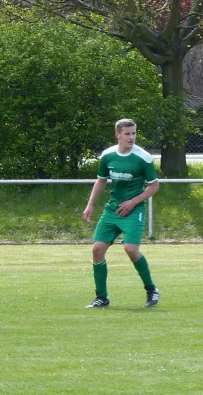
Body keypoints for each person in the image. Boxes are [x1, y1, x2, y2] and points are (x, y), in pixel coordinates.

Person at [83, 118, 160, 308]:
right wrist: (90, 205)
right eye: (127, 134)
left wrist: (133, 202)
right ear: (117, 135)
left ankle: (151, 290)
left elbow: (154, 186)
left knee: (130, 249)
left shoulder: (143, 157)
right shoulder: (108, 155)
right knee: (97, 249)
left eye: (133, 133)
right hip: (112, 209)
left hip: (134, 210)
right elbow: (101, 180)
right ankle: (102, 297)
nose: (131, 137)